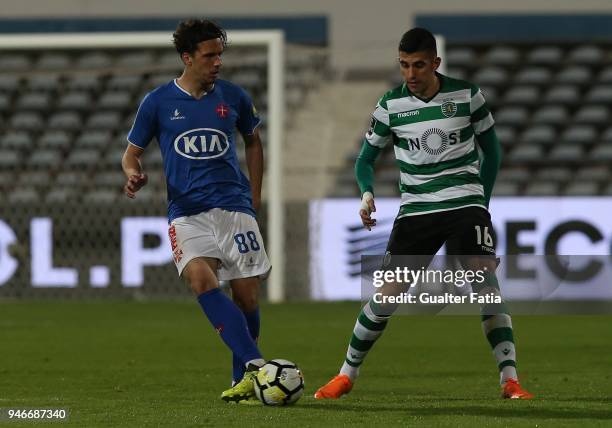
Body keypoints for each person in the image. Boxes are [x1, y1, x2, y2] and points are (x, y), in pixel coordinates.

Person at [314, 28, 533, 400]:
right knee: (386, 296)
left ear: (436, 63)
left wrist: (482, 201)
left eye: (418, 65)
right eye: (403, 65)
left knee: (485, 285)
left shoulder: (467, 95)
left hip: (464, 203)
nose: (411, 74)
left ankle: (509, 380)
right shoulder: (390, 106)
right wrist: (366, 193)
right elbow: (366, 159)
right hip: (416, 210)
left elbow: (491, 152)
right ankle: (345, 375)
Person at [122, 18, 270, 404]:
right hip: (186, 212)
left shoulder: (234, 97)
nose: (217, 62)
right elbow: (130, 155)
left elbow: (254, 143)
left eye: (220, 55)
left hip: (235, 207)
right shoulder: (157, 102)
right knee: (201, 281)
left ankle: (244, 379)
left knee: (247, 298)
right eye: (209, 56)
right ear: (188, 58)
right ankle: (257, 364)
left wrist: (254, 196)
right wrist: (134, 174)